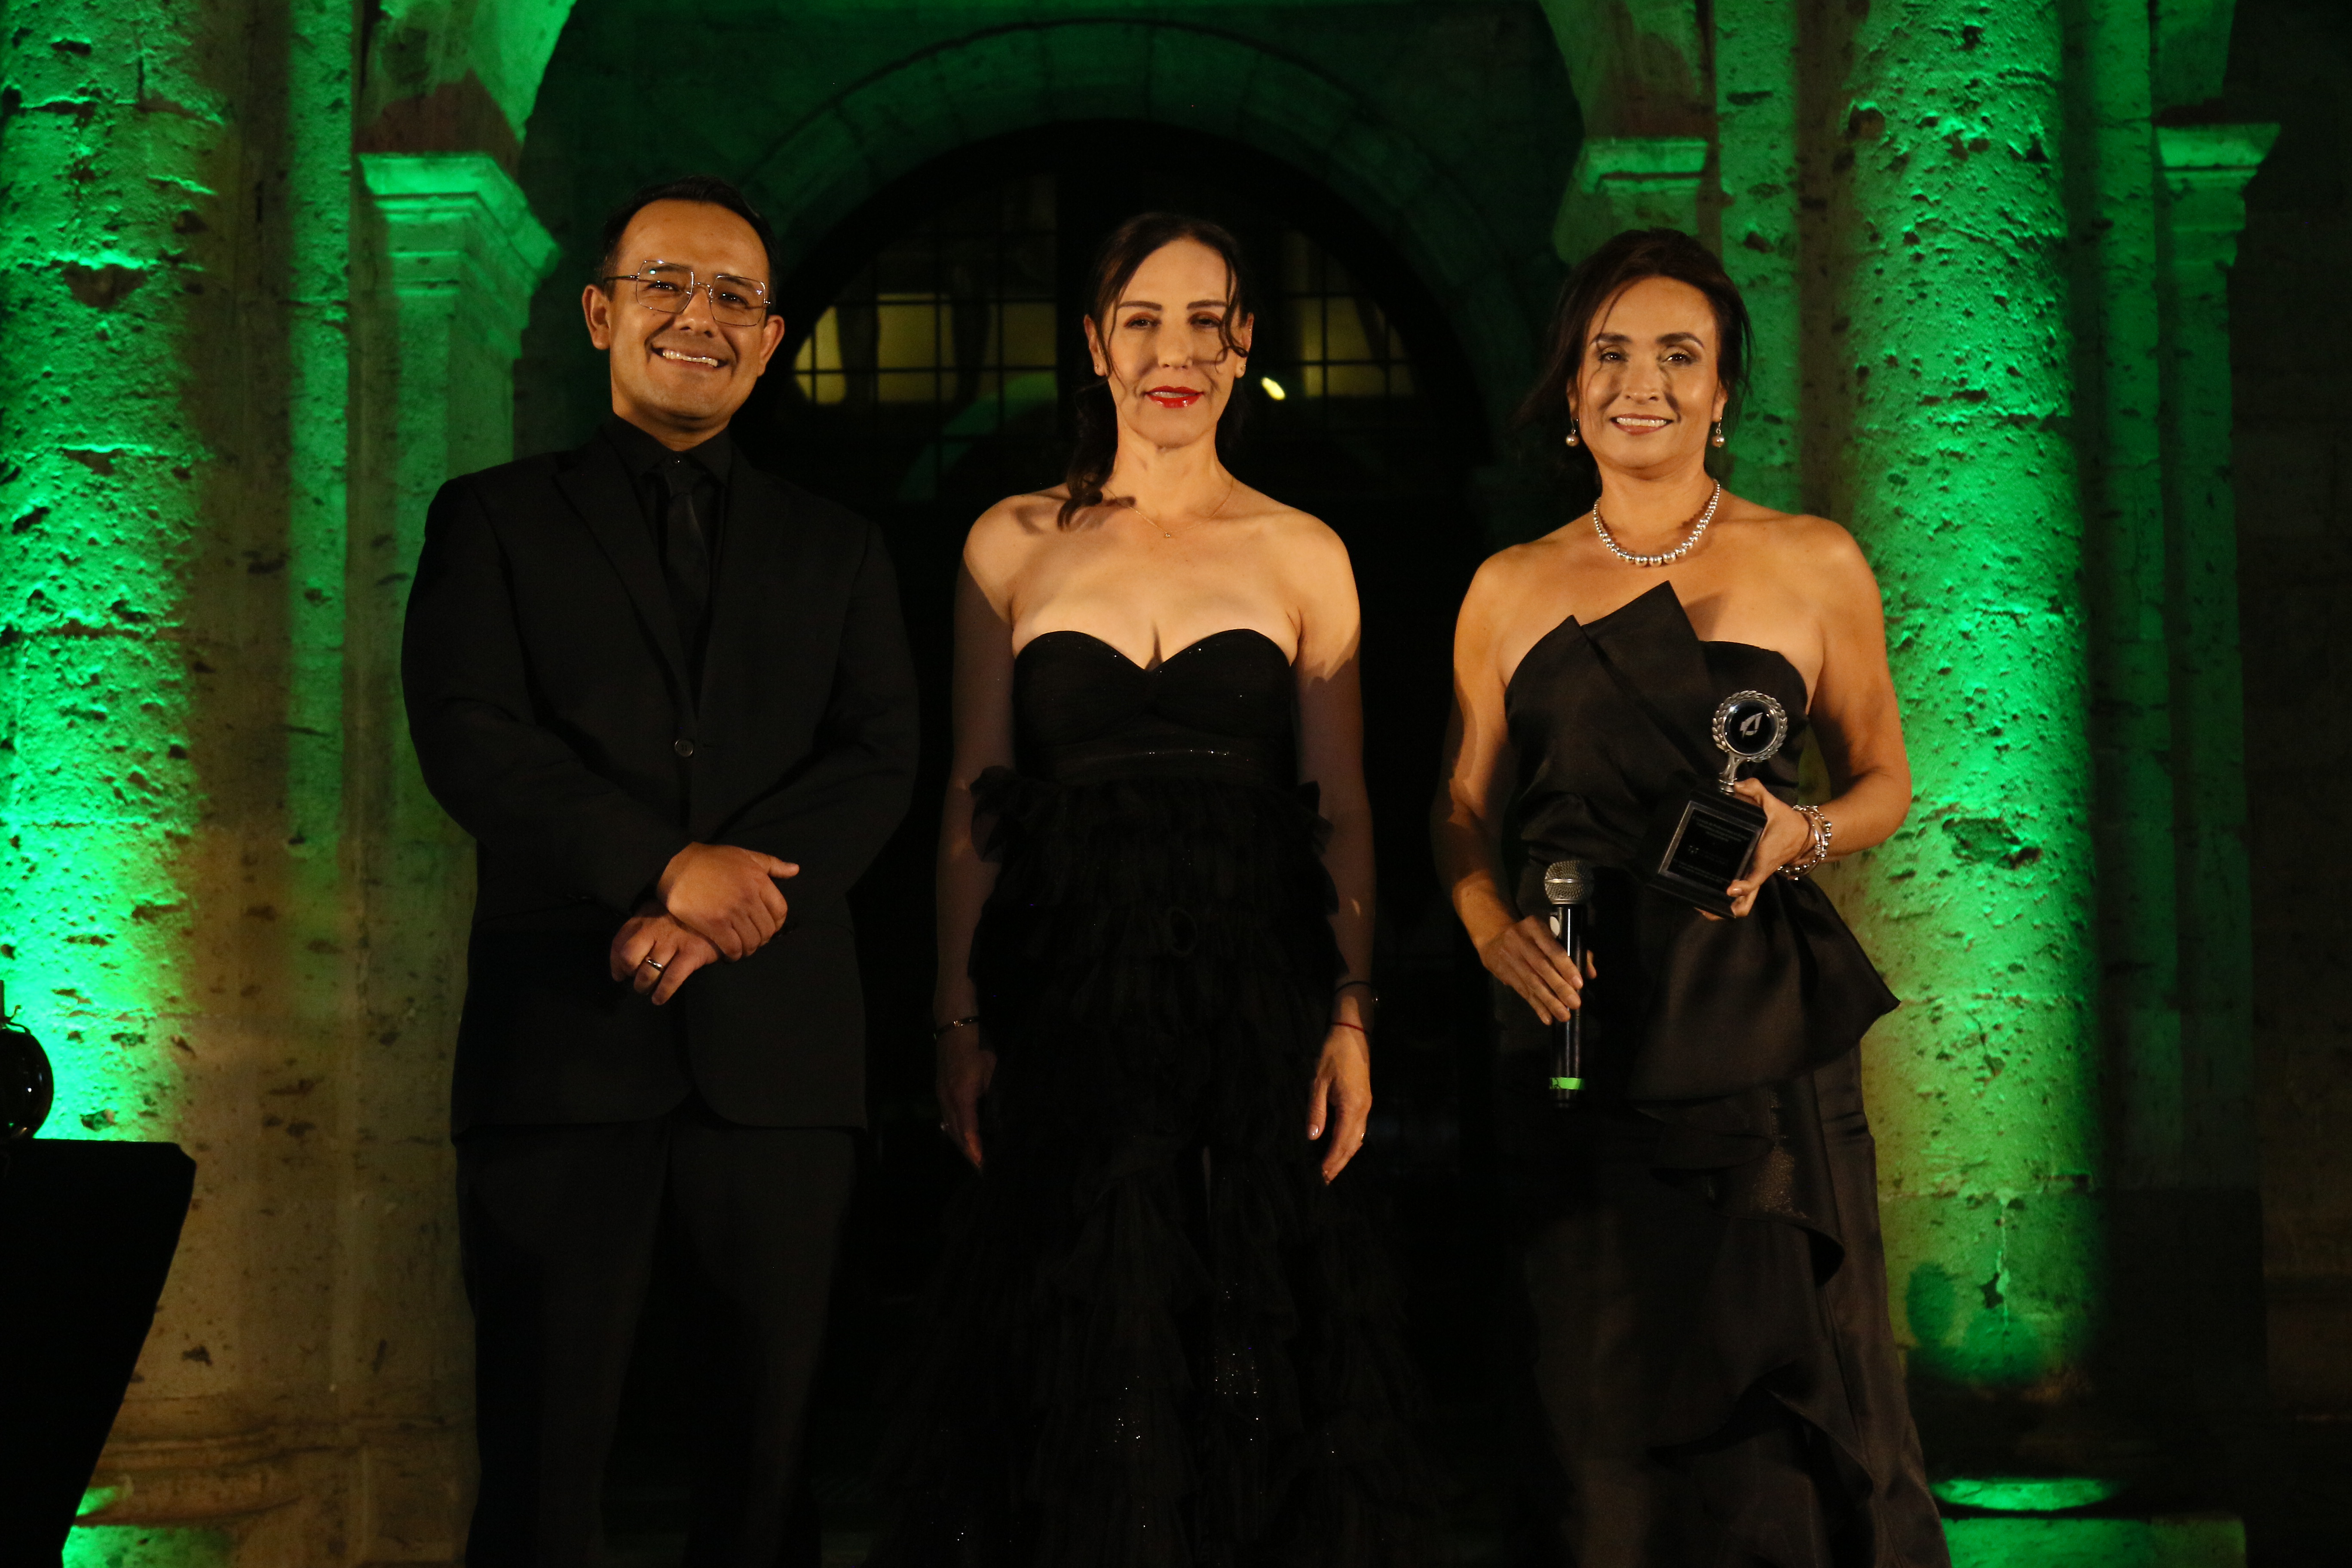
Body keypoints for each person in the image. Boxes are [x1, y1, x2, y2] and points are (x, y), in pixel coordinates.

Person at [868, 213, 1428, 1566]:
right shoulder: (1011, 543)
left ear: (1244, 346)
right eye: (1142, 320)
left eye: (1205, 322)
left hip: (1255, 989)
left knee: (1248, 1333)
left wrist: (1351, 1013)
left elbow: (1346, 804)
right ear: (1096, 344)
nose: (1174, 352)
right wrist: (956, 1016)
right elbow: (972, 797)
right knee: (1086, 1331)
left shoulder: (1305, 552)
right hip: (1066, 993)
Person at [401, 174, 919, 1565]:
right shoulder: (491, 520)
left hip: (781, 1072)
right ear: (599, 314)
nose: (700, 316)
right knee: (543, 1472)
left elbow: (879, 758)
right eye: (665, 285)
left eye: (734, 296)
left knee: (766, 1479)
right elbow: (468, 736)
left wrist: (714, 915)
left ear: (773, 337)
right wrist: (663, 865)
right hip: (563, 1055)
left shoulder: (841, 548)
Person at [1433, 228, 1951, 1567]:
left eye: (1679, 355)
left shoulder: (1814, 560)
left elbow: (1887, 780)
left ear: (1723, 391)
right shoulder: (1508, 587)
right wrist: (1490, 932)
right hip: (1583, 1031)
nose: (1641, 384)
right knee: (1595, 1411)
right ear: (1571, 385)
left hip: (1758, 1036)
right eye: (1610, 354)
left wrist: (1801, 835)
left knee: (1783, 1410)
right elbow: (1462, 810)